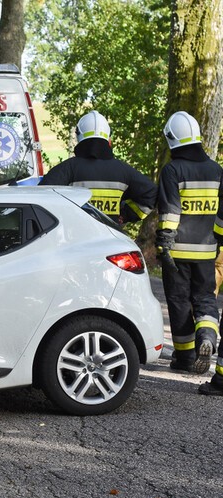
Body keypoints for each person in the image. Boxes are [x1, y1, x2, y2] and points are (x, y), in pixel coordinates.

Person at [155, 111, 223, 382]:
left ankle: (185, 358)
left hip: (178, 252)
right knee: (206, 298)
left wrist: (164, 244)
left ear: (172, 139)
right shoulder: (216, 169)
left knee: (180, 302)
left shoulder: (173, 170)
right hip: (207, 251)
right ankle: (207, 335)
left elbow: (170, 210)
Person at [39, 110, 157, 225]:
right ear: (108, 138)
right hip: (112, 239)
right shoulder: (123, 170)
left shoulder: (68, 168)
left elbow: (41, 196)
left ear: (79, 136)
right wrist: (126, 214)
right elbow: (151, 193)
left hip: (76, 240)